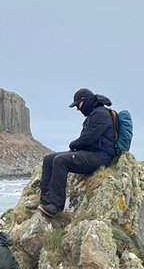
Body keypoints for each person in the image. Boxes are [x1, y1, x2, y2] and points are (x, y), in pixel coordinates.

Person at [31, 88, 117, 218]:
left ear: (85, 101)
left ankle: (56, 206)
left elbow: (88, 139)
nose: (78, 109)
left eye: (78, 105)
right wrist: (76, 147)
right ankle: (45, 200)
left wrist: (73, 145)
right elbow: (87, 140)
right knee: (49, 159)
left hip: (101, 157)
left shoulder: (101, 114)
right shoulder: (94, 114)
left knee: (60, 160)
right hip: (91, 153)